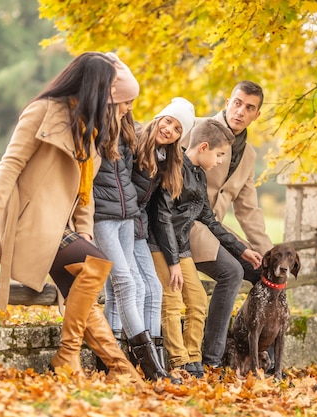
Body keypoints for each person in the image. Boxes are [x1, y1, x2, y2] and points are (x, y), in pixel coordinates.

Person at [0, 52, 142, 382]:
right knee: (97, 266)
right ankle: (69, 356)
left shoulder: (88, 124)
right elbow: (10, 165)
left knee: (82, 294)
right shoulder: (42, 111)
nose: (116, 96)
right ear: (95, 85)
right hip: (30, 219)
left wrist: (84, 230)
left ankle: (118, 368)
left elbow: (82, 189)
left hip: (62, 225)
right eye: (112, 86)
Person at [148, 119, 263, 378]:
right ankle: (178, 362)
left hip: (181, 247)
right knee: (173, 300)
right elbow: (162, 217)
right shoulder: (174, 169)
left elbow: (208, 219)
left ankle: (193, 360)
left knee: (198, 299)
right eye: (219, 154)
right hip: (161, 246)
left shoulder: (199, 175)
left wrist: (241, 249)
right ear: (203, 147)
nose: (221, 161)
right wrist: (173, 262)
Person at [91, 53, 180, 384]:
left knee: (129, 288)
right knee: (127, 284)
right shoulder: (94, 127)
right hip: (102, 216)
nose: (129, 107)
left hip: (127, 218)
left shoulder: (126, 129)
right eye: (126, 101)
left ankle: (119, 362)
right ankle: (149, 367)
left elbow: (128, 179)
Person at [180, 81, 274, 370]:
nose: (240, 111)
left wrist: (267, 253)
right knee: (231, 272)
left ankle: (248, 348)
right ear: (227, 100)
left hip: (215, 229)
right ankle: (213, 359)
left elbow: (248, 209)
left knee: (262, 274)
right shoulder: (196, 127)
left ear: (256, 115)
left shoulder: (249, 156)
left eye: (249, 107)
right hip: (187, 224)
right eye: (237, 102)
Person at [130, 97, 196, 366]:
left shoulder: (166, 162)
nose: (170, 129)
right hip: (113, 221)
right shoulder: (133, 141)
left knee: (152, 291)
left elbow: (159, 213)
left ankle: (153, 359)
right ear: (159, 117)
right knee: (130, 286)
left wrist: (173, 262)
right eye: (168, 121)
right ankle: (128, 356)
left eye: (178, 129)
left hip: (138, 229)